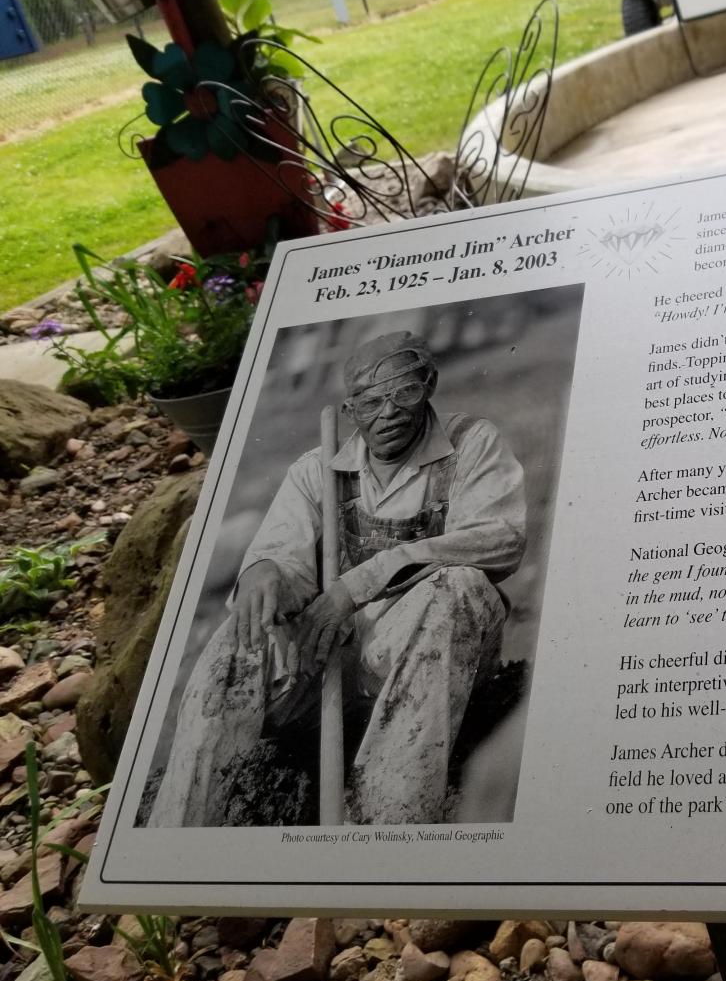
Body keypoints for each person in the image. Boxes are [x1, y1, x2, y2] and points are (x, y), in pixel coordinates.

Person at [149, 331, 526, 826]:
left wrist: (357, 584)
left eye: (405, 392)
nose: (389, 412)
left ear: (429, 384)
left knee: (458, 586)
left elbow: (500, 537)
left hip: (436, 652)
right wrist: (265, 572)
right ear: (350, 410)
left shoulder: (471, 443)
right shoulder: (317, 471)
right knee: (240, 637)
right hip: (333, 662)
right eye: (370, 402)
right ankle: (178, 832)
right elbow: (282, 555)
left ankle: (388, 827)